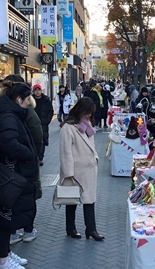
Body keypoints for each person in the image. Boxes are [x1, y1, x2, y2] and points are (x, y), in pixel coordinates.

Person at [0, 81, 38, 269]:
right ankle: (3, 259)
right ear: (18, 99)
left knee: (8, 217)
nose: (28, 104)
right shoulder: (8, 116)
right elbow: (9, 143)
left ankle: (6, 252)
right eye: (26, 101)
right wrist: (29, 153)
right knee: (5, 218)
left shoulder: (9, 114)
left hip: (10, 173)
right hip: (9, 175)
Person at [59, 97, 104, 241]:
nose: (89, 116)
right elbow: (65, 151)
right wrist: (68, 173)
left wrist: (95, 157)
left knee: (89, 200)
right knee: (72, 200)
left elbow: (92, 145)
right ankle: (70, 228)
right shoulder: (68, 127)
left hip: (89, 169)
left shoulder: (88, 125)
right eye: (87, 112)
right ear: (80, 110)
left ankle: (91, 229)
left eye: (91, 113)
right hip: (76, 170)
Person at [4, 74, 42, 244]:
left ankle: (11, 231)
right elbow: (37, 135)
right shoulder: (25, 111)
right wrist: (33, 154)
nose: (29, 101)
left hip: (5, 165)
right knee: (27, 196)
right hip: (24, 162)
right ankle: (26, 229)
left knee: (10, 197)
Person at [32, 84, 53, 166]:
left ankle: (40, 158)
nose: (37, 92)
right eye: (35, 90)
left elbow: (50, 111)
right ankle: (36, 156)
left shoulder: (46, 100)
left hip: (43, 124)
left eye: (38, 90)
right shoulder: (30, 100)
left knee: (43, 141)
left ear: (41, 90)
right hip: (33, 124)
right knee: (34, 140)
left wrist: (46, 121)